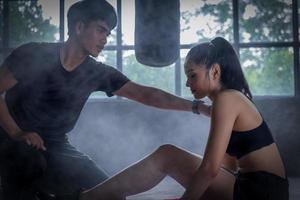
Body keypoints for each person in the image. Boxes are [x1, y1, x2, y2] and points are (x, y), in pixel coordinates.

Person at [0, 0, 213, 200]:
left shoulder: (96, 73)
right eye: (101, 30)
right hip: (11, 137)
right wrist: (17, 132)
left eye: (108, 33)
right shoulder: (34, 54)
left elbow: (145, 94)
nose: (105, 39)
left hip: (55, 144)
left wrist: (196, 106)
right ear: (79, 27)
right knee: (29, 164)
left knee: (110, 193)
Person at [70, 37, 289, 200]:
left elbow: (210, 168)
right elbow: (227, 166)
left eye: (192, 75)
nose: (187, 84)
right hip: (263, 189)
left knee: (168, 155)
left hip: (262, 191)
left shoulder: (227, 99)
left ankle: (87, 198)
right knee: (177, 164)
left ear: (214, 72)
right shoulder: (230, 100)